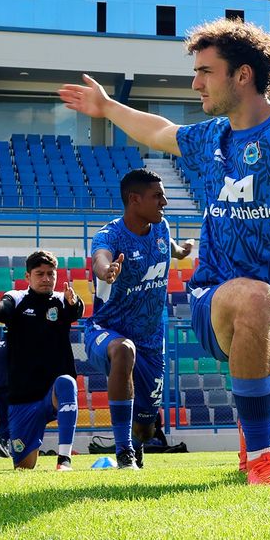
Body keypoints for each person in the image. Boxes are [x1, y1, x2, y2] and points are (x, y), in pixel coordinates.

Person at [59, 3, 270, 486]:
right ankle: (261, 455)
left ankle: (263, 447)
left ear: (242, 75)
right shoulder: (208, 139)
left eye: (205, 71)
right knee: (253, 298)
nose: (196, 83)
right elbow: (160, 131)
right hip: (218, 297)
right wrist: (106, 108)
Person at [84, 169, 194, 469]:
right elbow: (99, 258)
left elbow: (169, 247)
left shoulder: (162, 228)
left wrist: (181, 252)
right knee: (124, 351)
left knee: (146, 427)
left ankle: (136, 444)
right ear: (135, 200)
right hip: (106, 331)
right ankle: (123, 453)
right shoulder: (110, 235)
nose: (165, 202)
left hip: (151, 340)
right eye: (158, 196)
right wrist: (106, 271)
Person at [0, 250, 84, 470]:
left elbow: (75, 310)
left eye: (51, 273)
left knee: (67, 382)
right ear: (27, 277)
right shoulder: (18, 297)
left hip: (51, 394)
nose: (46, 278)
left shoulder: (62, 300)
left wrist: (74, 302)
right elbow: (6, 307)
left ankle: (64, 460)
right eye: (40, 273)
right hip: (23, 399)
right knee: (24, 468)